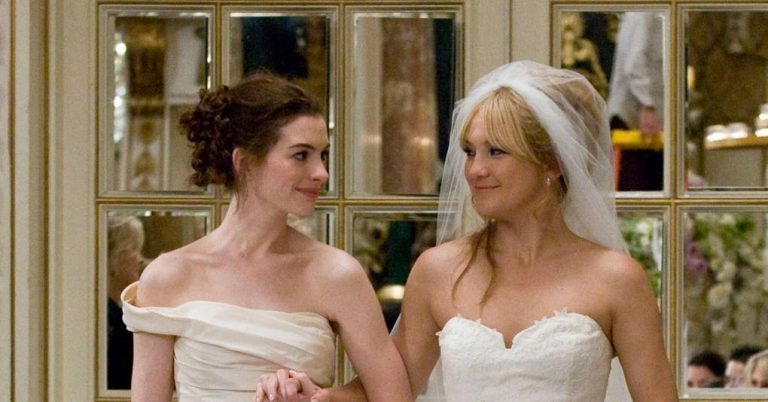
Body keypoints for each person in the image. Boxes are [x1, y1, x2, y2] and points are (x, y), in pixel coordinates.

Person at [258, 61, 677, 401]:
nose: (475, 170)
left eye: (496, 151)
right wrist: (320, 398)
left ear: (551, 163)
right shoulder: (438, 271)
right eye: (469, 151)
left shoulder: (616, 279)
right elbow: (390, 389)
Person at [121, 73, 412, 401]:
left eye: (323, 155)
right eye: (301, 155)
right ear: (244, 162)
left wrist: (322, 398)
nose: (321, 173)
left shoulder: (337, 274)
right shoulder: (167, 277)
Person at [607, 12, 665, 191]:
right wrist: (647, 105)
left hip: (650, 117)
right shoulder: (645, 11)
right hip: (635, 119)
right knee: (636, 194)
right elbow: (635, 64)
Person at [107, 216, 146, 389]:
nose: (140, 259)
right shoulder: (111, 322)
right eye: (133, 249)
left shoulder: (117, 314)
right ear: (113, 256)